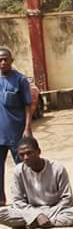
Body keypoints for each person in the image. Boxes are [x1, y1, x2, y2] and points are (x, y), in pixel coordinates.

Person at [0, 137, 73, 229]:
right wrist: (36, 215)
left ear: (38, 151)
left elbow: (67, 198)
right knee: (1, 214)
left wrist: (44, 215)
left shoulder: (57, 168)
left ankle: (37, 223)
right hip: (31, 210)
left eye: (29, 153)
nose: (26, 158)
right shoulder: (18, 171)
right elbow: (18, 201)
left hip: (55, 209)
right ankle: (40, 221)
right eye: (22, 155)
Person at [0, 46, 32, 207]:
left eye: (6, 59)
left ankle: (26, 198)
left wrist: (27, 128)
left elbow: (28, 106)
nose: (3, 62)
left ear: (12, 61)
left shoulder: (20, 80)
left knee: (23, 168)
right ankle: (1, 199)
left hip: (17, 134)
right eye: (0, 59)